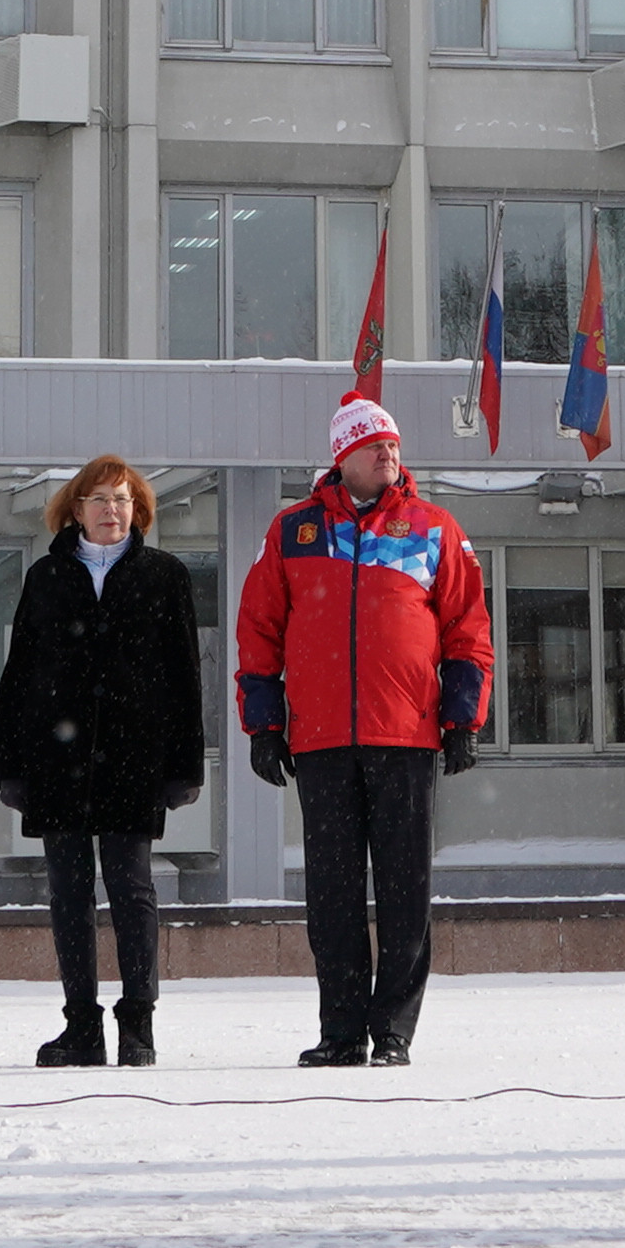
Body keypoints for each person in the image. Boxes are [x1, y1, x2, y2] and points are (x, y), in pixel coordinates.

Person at [232, 393, 493, 1066]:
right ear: (342, 455)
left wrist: (462, 717)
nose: (389, 454)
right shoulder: (292, 531)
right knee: (334, 897)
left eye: (393, 445)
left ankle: (394, 1032)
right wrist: (263, 725)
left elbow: (469, 630)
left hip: (405, 738)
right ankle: (341, 1033)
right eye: (374, 445)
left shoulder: (434, 527)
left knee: (406, 895)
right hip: (320, 743)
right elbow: (258, 631)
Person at [0, 454, 206, 1068]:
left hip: (134, 757)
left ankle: (138, 1024)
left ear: (138, 511)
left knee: (133, 888)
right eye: (101, 499)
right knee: (68, 894)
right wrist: (10, 765)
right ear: (76, 509)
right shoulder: (46, 576)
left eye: (124, 500)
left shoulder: (165, 575)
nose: (113, 510)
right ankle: (81, 1025)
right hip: (57, 760)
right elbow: (19, 675)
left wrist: (184, 765)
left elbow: (184, 677)